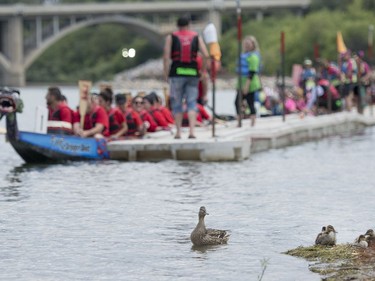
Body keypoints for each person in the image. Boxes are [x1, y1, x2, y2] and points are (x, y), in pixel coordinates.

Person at [163, 15, 209, 139]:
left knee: (176, 102)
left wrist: (166, 74)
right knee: (191, 102)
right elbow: (206, 54)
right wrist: (203, 71)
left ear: (177, 25)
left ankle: (178, 132)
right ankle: (192, 132)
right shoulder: (196, 36)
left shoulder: (171, 37)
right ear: (189, 25)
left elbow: (166, 57)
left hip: (176, 73)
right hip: (192, 73)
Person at [235, 35, 262, 126]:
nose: (246, 45)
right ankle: (239, 121)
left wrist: (247, 85)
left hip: (250, 83)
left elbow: (252, 72)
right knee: (237, 102)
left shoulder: (253, 57)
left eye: (248, 44)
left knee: (250, 102)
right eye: (245, 44)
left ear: (253, 45)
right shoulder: (243, 56)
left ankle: (252, 123)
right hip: (241, 82)